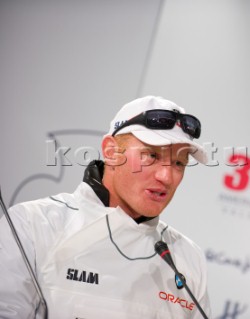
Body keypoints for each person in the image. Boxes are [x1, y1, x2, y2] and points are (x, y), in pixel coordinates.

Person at [0, 96, 211, 318]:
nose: (166, 177)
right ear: (111, 151)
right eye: (151, 156)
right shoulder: (31, 225)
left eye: (179, 163)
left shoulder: (188, 259)